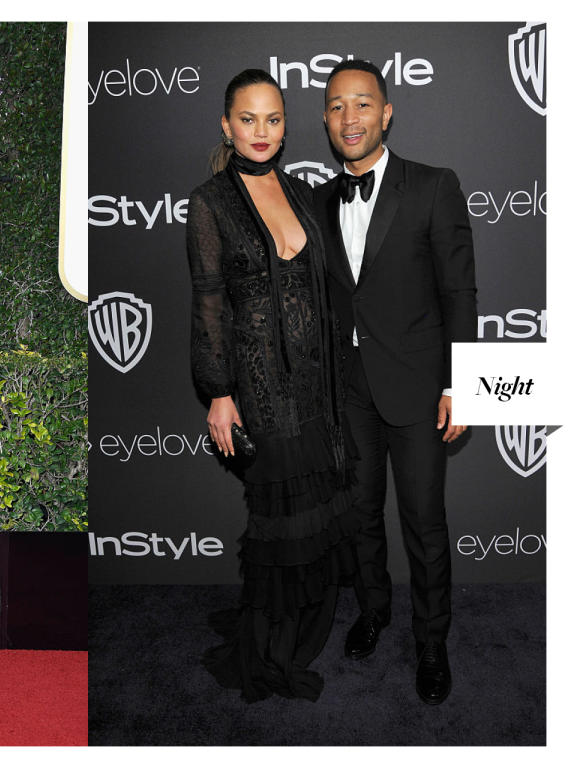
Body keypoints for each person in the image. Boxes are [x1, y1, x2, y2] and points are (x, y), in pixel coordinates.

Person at [186, 69, 359, 703]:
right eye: (249, 119)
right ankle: (267, 652)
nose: (262, 132)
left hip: (317, 387)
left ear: (288, 126)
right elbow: (208, 302)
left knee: (316, 519)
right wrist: (220, 392)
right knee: (278, 524)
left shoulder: (302, 191)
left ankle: (303, 631)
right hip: (259, 391)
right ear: (226, 126)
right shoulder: (210, 202)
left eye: (275, 119)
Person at [312, 59, 476, 705]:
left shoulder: (433, 185)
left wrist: (460, 383)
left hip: (417, 388)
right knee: (358, 517)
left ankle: (432, 642)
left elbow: (459, 291)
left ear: (386, 112)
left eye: (361, 104)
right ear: (325, 120)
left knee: (424, 523)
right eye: (335, 106)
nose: (348, 118)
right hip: (348, 391)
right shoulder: (319, 200)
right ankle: (374, 610)